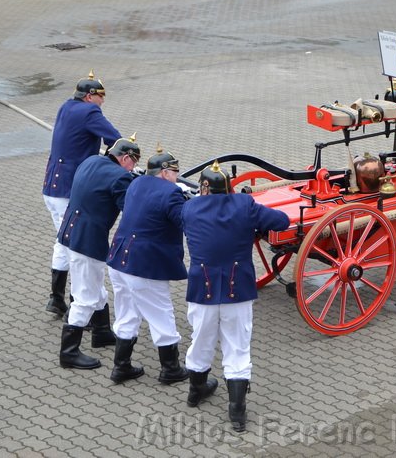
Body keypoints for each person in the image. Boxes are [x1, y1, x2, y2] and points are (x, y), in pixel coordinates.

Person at [181, 161, 290, 432]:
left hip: (201, 288)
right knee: (238, 346)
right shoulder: (244, 204)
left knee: (201, 340)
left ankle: (196, 392)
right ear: (228, 188)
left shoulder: (189, 209)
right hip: (237, 287)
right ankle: (237, 412)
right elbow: (282, 221)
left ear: (203, 189)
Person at [105, 145, 191, 385]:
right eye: (175, 172)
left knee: (126, 313)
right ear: (165, 173)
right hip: (144, 265)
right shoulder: (171, 193)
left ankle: (121, 366)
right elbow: (184, 219)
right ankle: (171, 369)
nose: (176, 176)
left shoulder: (136, 184)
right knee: (161, 314)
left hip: (119, 259)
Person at [42, 71, 122, 316]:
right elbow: (116, 141)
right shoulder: (90, 112)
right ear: (90, 96)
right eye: (100, 97)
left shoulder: (66, 106)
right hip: (70, 188)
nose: (102, 102)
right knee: (75, 247)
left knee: (62, 242)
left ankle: (56, 299)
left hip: (52, 186)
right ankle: (77, 307)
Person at [57, 136, 140, 370]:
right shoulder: (121, 176)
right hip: (88, 240)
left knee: (95, 286)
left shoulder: (91, 160)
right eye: (133, 162)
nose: (133, 167)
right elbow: (130, 210)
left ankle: (102, 332)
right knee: (85, 298)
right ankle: (69, 352)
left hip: (71, 232)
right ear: (124, 158)